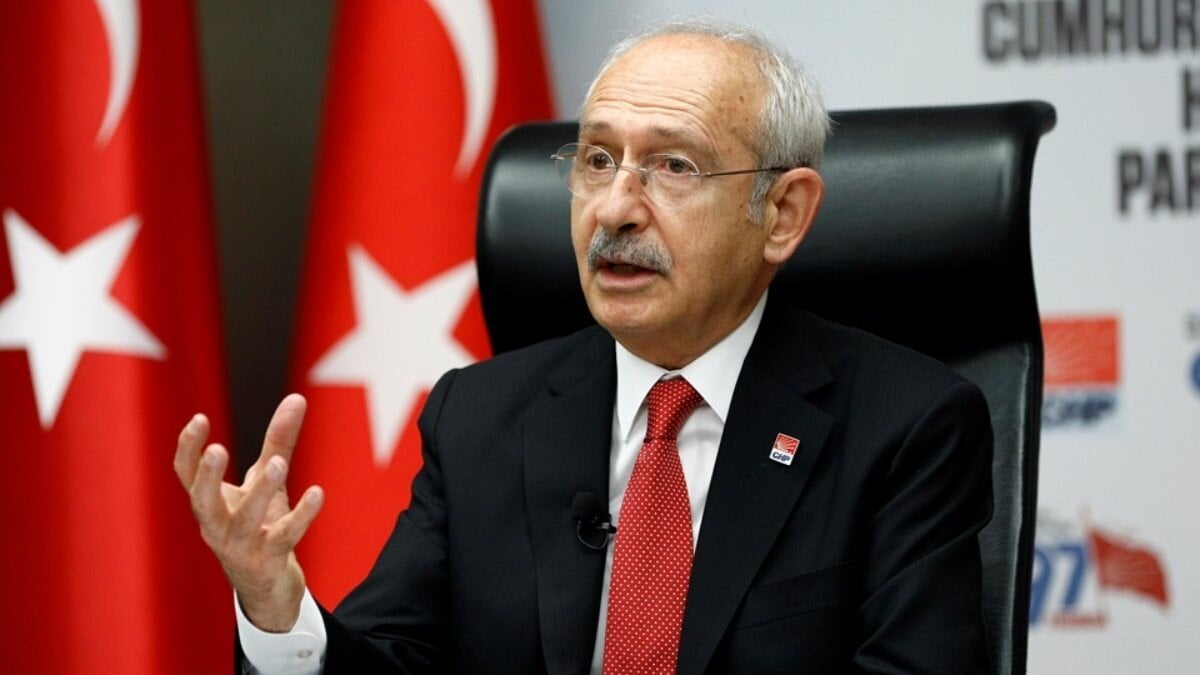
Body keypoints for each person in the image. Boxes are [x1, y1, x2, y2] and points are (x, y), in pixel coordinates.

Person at [175, 18, 993, 674]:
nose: (614, 208)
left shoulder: (906, 427)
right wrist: (278, 609)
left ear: (781, 214)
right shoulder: (480, 417)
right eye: (598, 159)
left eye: (674, 166)